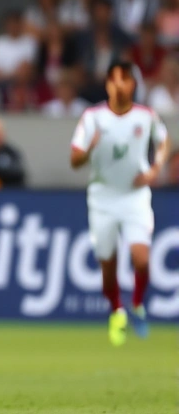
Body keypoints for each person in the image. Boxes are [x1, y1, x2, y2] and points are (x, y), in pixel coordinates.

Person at [70, 60, 170, 346]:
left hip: (134, 196)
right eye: (113, 80)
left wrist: (154, 169)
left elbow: (163, 142)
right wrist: (90, 147)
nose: (119, 85)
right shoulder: (92, 117)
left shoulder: (146, 116)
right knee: (108, 266)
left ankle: (137, 304)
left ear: (133, 85)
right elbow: (74, 160)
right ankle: (116, 310)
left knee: (142, 259)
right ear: (107, 85)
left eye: (124, 79)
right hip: (102, 198)